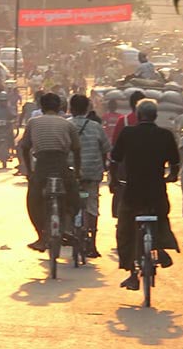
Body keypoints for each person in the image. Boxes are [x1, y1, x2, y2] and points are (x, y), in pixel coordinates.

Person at [110, 99, 179, 290]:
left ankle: (132, 272)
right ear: (155, 116)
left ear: (138, 115)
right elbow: (175, 163)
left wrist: (114, 180)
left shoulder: (128, 133)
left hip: (133, 192)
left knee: (125, 229)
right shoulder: (165, 135)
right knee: (162, 218)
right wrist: (171, 176)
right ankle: (161, 246)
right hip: (157, 192)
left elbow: (114, 160)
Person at [20, 93, 81, 252]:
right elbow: (77, 149)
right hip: (61, 164)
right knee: (73, 195)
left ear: (41, 106)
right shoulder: (67, 124)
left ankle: (41, 236)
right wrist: (77, 172)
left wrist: (29, 171)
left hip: (41, 165)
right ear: (60, 107)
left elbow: (25, 147)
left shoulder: (33, 122)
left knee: (33, 200)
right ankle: (68, 226)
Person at [68, 95, 110, 257]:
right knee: (92, 206)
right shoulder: (96, 127)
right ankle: (92, 242)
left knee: (69, 203)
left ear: (70, 108)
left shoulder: (66, 125)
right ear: (87, 109)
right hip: (92, 174)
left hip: (71, 174)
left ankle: (69, 231)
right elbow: (106, 149)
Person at [109, 91, 145, 219]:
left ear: (130, 105)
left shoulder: (122, 120)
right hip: (144, 165)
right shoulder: (150, 123)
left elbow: (114, 144)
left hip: (125, 165)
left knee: (123, 189)